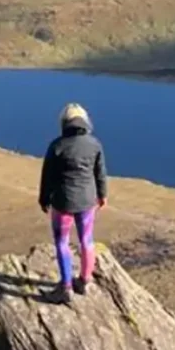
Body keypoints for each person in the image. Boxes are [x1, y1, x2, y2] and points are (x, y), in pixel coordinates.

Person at [38, 102, 108, 301]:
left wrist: (44, 199)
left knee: (62, 242)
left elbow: (47, 176)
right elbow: (100, 173)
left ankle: (65, 287)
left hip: (63, 203)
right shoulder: (94, 144)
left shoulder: (57, 146)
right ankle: (85, 281)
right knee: (87, 240)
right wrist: (102, 195)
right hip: (87, 201)